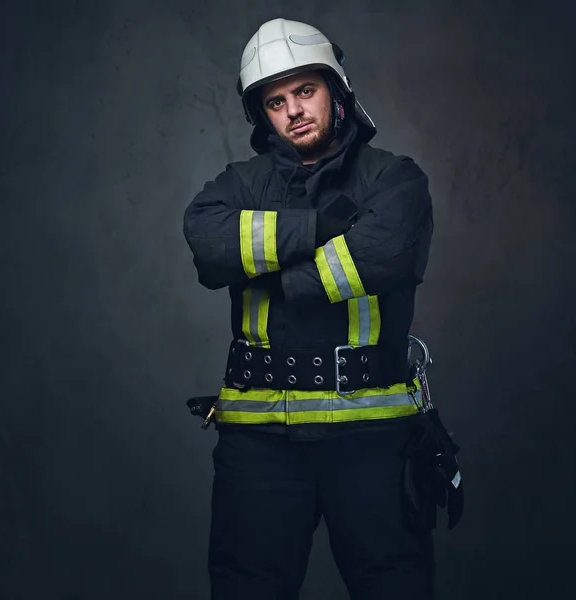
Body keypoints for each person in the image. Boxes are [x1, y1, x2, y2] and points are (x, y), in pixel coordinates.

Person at [183, 17, 438, 600]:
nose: (294, 110)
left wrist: (272, 264)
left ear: (336, 89)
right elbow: (207, 241)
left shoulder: (395, 180)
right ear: (261, 115)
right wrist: (322, 227)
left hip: (372, 442)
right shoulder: (236, 183)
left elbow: (386, 254)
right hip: (258, 447)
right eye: (276, 101)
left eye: (306, 91)